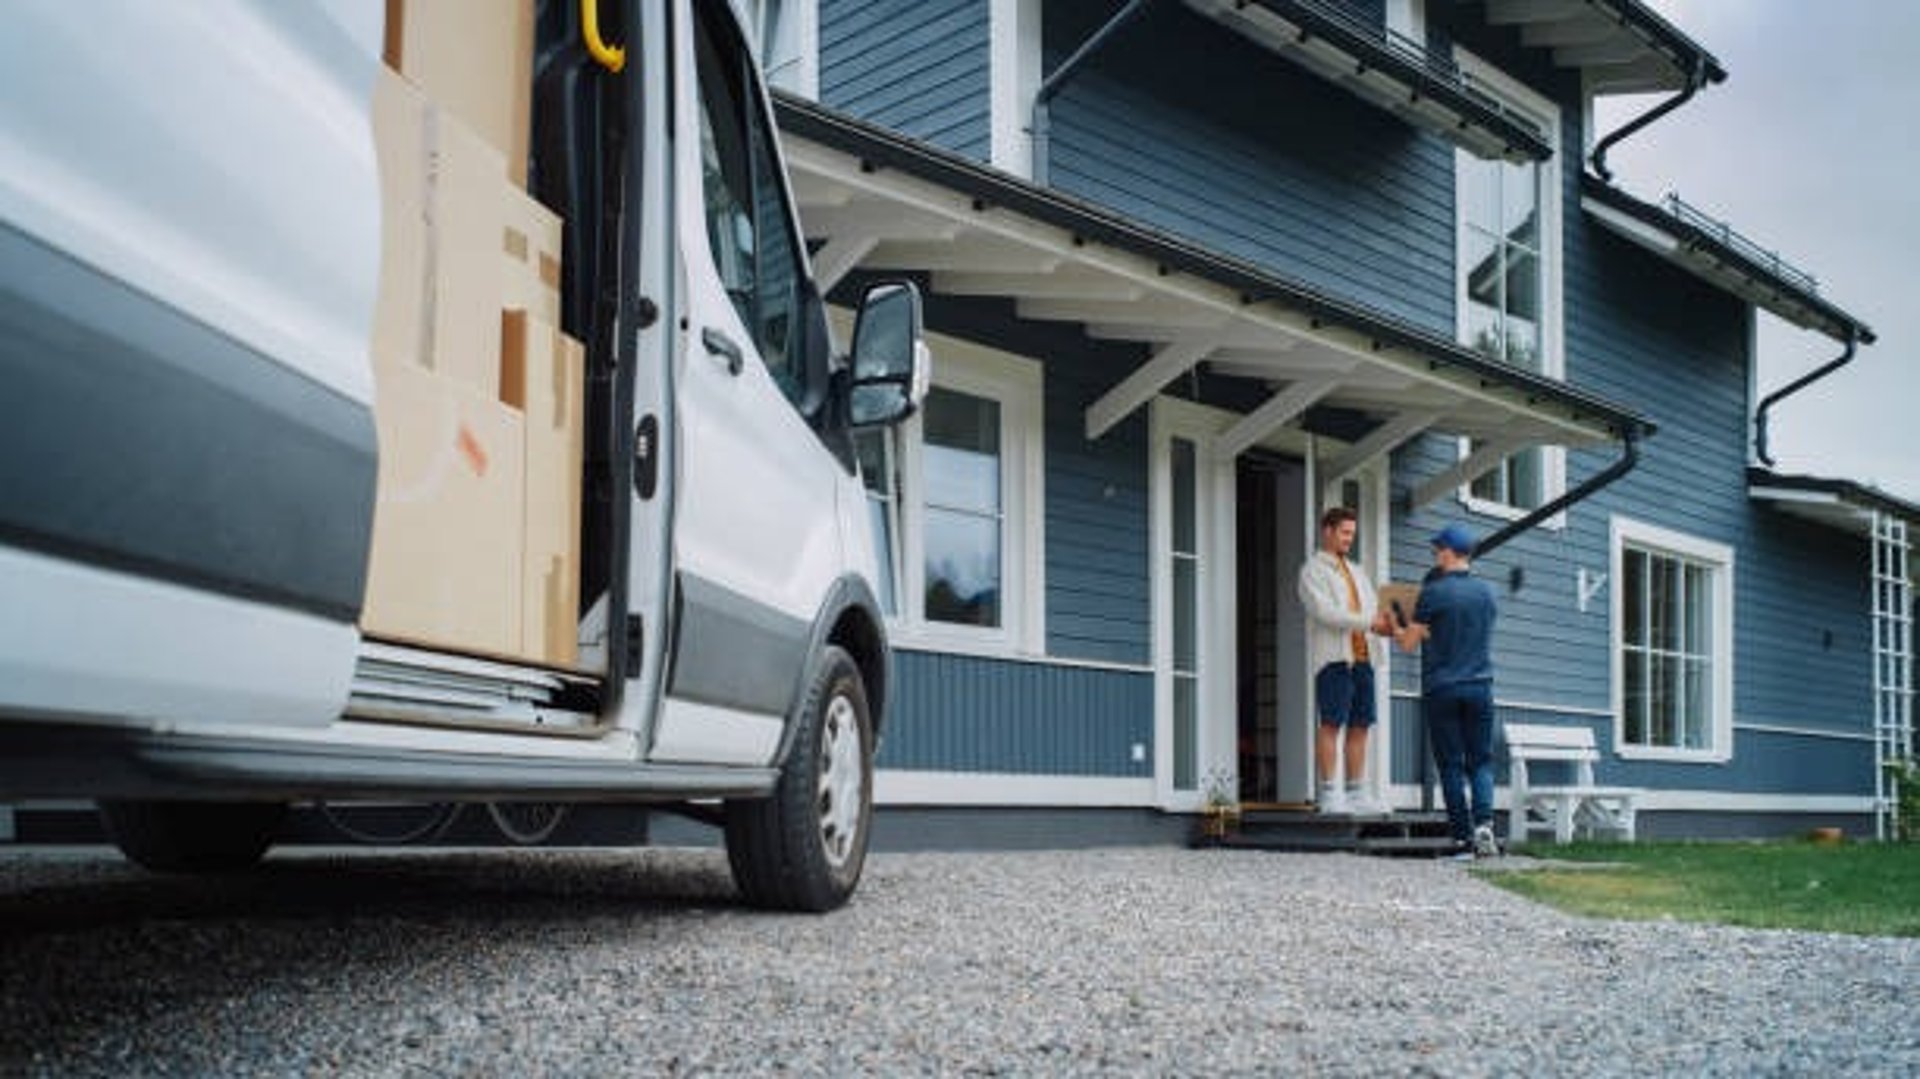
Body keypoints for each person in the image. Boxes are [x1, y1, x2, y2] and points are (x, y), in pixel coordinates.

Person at [1396, 523, 1500, 859]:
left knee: (1451, 765)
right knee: (1480, 761)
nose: (1435, 555)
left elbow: (1409, 644)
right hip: (1480, 686)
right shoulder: (1487, 593)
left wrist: (1395, 626)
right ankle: (1484, 825)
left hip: (1443, 688)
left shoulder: (1434, 593)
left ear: (1449, 552)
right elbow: (1466, 633)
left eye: (1438, 550)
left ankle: (1463, 840)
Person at [1296, 506, 1395, 815]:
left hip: (1363, 657)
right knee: (1331, 724)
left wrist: (1389, 624)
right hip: (1335, 660)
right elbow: (1325, 612)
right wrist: (1370, 622)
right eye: (1344, 532)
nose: (1349, 539)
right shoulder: (1312, 570)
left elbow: (1372, 611)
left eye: (1352, 533)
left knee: (1360, 726)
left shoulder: (1357, 571)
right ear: (1327, 531)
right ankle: (1329, 795)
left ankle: (1355, 794)